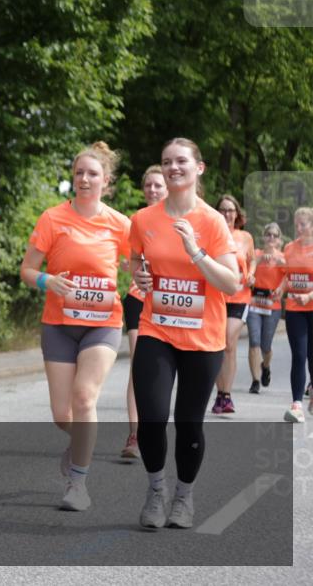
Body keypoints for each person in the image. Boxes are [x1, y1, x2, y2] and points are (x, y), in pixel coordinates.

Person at [130, 137, 238, 530]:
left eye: (181, 161)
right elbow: (135, 259)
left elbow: (230, 282)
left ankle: (184, 497)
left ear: (199, 168)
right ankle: (156, 490)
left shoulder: (212, 222)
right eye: (166, 162)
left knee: (189, 423)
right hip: (156, 328)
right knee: (153, 418)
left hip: (203, 338)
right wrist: (139, 274)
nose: (173, 168)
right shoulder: (144, 219)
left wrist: (196, 251)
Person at [20, 142, 130, 511]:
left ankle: (78, 485)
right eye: (79, 173)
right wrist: (46, 282)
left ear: (106, 180)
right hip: (59, 325)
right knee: (62, 414)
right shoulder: (53, 218)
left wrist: (144, 278)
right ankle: (81, 442)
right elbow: (27, 270)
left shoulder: (120, 225)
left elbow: (139, 265)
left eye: (92, 173)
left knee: (85, 398)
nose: (84, 179)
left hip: (103, 323)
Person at [119, 165, 166, 459]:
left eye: (157, 185)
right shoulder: (136, 221)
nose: (152, 190)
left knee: (163, 368)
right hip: (138, 298)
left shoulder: (179, 220)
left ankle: (155, 426)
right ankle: (135, 435)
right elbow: (124, 255)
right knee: (139, 365)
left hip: (169, 302)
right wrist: (127, 265)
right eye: (148, 185)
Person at [212, 194, 256, 413]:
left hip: (240, 297)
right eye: (222, 210)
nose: (227, 214)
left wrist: (252, 275)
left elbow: (252, 259)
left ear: (237, 214)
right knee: (218, 345)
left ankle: (226, 395)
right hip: (216, 297)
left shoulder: (245, 237)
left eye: (230, 210)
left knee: (229, 342)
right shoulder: (212, 234)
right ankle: (220, 394)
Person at [246, 222, 286, 394]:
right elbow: (248, 272)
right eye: (268, 234)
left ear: (279, 240)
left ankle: (266, 365)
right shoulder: (256, 254)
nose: (271, 237)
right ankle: (255, 380)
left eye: (274, 235)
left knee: (265, 345)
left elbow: (288, 278)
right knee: (254, 341)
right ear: (263, 237)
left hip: (272, 305)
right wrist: (260, 260)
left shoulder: (283, 258)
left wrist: (281, 289)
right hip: (254, 303)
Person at [282, 207, 313, 423]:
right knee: (299, 355)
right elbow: (286, 275)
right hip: (294, 309)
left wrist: (310, 296)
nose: (299, 228)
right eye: (297, 224)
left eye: (303, 224)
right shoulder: (289, 248)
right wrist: (279, 288)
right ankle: (297, 404)